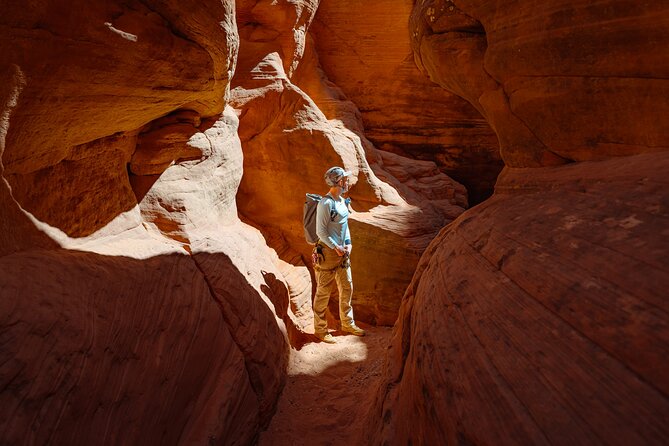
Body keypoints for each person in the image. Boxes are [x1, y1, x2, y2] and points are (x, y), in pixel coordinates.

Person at [312, 166, 365, 344]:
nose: (347, 181)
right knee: (323, 293)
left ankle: (347, 324)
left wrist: (348, 243)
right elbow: (320, 231)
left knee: (347, 288)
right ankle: (320, 330)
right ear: (337, 182)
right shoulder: (326, 203)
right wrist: (335, 247)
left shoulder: (342, 201)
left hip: (342, 253)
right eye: (344, 179)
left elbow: (344, 225)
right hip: (328, 254)